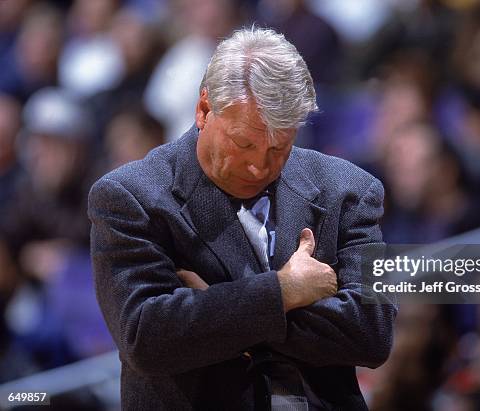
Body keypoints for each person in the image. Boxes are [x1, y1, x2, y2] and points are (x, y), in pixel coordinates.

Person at [89, 27, 396, 410]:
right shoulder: (130, 197)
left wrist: (218, 307)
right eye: (243, 143)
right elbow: (146, 338)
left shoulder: (350, 190)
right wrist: (284, 291)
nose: (258, 165)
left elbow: (372, 333)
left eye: (279, 147)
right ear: (204, 109)